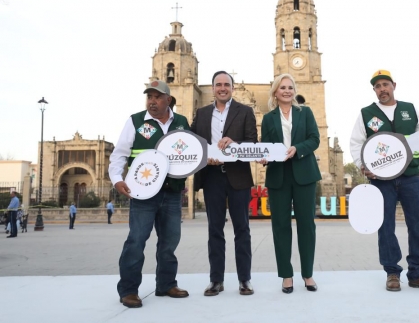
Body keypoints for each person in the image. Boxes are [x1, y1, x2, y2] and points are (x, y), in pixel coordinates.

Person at [349, 70, 419, 292]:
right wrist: (363, 165)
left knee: (418, 224)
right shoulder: (366, 114)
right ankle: (392, 272)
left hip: (411, 176)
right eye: (377, 86)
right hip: (382, 180)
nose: (382, 89)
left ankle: (417, 273)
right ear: (374, 90)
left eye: (385, 84)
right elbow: (356, 143)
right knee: (386, 227)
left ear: (393, 85)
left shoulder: (409, 110)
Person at [109, 80, 190, 308]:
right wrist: (117, 180)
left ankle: (166, 284)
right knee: (136, 241)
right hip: (143, 194)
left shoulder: (182, 123)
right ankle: (128, 290)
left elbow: (190, 153)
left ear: (168, 100)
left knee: (169, 242)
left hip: (172, 193)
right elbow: (119, 155)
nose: (152, 101)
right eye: (149, 97)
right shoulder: (135, 121)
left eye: (157, 97)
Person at [190, 71, 258, 297]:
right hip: (212, 177)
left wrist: (235, 143)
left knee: (242, 229)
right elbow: (194, 143)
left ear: (232, 88)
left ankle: (245, 279)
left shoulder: (245, 111)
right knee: (214, 230)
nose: (222, 88)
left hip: (238, 176)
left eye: (226, 84)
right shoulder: (201, 114)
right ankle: (215, 280)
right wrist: (204, 156)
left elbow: (252, 143)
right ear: (212, 88)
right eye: (218, 84)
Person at [259, 74, 322, 294]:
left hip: (304, 174)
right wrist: (263, 155)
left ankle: (308, 274)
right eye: (282, 87)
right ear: (275, 92)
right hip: (278, 176)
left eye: (290, 87)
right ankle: (286, 275)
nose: (287, 91)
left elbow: (315, 139)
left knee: (307, 226)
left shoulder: (305, 113)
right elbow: (265, 145)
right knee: (280, 227)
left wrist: (298, 149)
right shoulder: (268, 118)